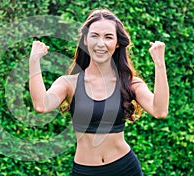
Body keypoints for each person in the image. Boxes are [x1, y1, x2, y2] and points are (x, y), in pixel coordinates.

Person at [29, 9, 169, 176]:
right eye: (94, 35)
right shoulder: (69, 83)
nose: (100, 43)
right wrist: (34, 61)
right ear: (86, 40)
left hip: (125, 168)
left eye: (108, 37)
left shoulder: (129, 83)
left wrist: (160, 64)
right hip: (85, 171)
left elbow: (159, 111)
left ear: (117, 43)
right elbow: (41, 105)